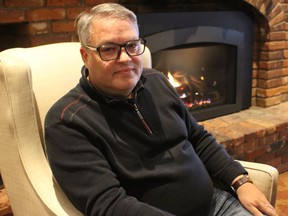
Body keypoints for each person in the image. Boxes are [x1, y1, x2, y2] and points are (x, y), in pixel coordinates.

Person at [44, 3, 278, 216]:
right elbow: (108, 204)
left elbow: (198, 137)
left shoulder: (156, 80)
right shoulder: (67, 121)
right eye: (108, 49)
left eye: (132, 45)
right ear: (86, 56)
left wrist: (240, 181)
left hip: (216, 203)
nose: (125, 58)